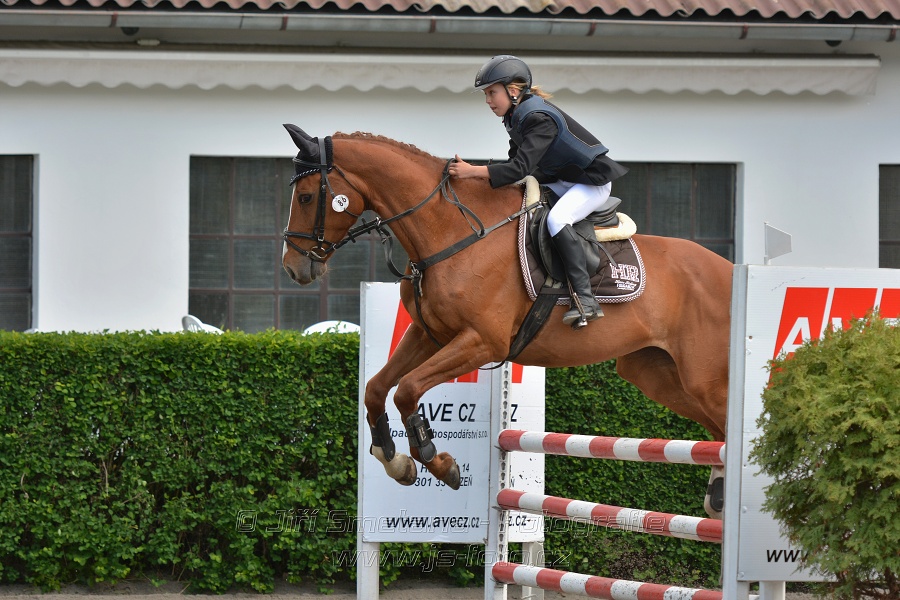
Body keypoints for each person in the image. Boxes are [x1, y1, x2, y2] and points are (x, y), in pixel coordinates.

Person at [449, 55, 628, 329]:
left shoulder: (538, 118)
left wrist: (473, 171)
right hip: (562, 180)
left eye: (491, 93)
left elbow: (519, 168)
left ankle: (585, 299)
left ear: (513, 89)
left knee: (557, 220)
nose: (488, 100)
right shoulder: (515, 117)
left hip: (591, 183)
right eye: (486, 95)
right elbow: (514, 167)